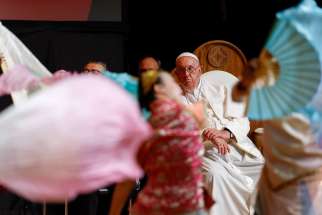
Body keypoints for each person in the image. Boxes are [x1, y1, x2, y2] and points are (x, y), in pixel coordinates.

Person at [109, 71, 213, 215]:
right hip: (187, 207)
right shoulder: (187, 117)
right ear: (159, 89)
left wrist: (113, 212)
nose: (177, 86)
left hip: (153, 207)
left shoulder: (143, 126)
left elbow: (127, 179)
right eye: (172, 82)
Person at [174, 52, 264, 215]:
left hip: (236, 146)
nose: (186, 74)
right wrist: (209, 135)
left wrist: (225, 133)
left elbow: (243, 120)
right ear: (176, 74)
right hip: (205, 152)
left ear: (199, 70)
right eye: (181, 70)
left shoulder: (222, 88)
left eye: (190, 69)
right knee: (216, 176)